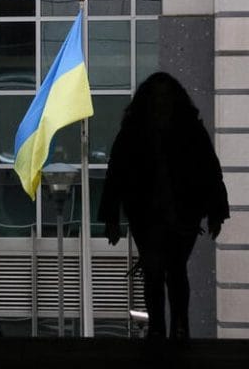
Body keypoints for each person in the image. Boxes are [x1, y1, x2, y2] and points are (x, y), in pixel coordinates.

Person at [98, 72, 229, 339]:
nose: (161, 102)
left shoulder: (134, 132)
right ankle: (175, 328)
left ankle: (162, 328)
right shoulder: (189, 130)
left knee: (160, 269)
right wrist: (216, 213)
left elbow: (116, 176)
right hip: (168, 214)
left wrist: (112, 218)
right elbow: (211, 172)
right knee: (168, 269)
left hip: (162, 214)